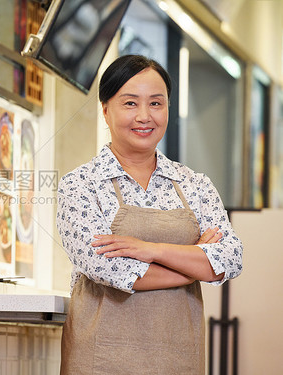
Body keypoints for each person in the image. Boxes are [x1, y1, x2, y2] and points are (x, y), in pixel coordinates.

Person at [56, 55, 243, 375]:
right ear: (105, 110)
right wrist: (195, 265)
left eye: (156, 103)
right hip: (100, 361)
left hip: (180, 360)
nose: (144, 116)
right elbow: (110, 267)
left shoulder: (195, 184)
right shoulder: (80, 185)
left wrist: (150, 249)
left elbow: (230, 258)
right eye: (130, 103)